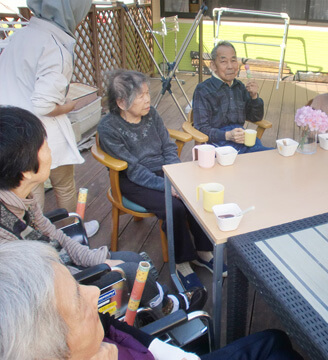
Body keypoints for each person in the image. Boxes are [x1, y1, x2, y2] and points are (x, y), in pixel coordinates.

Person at [0, 106, 206, 319]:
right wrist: (100, 268)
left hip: (61, 265)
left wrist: (96, 258)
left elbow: (57, 237)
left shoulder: (23, 199)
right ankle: (165, 311)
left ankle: (157, 303)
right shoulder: (7, 239)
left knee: (133, 258)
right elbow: (49, 285)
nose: (50, 149)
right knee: (132, 270)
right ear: (23, 168)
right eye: (43, 146)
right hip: (61, 298)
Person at [0, 241, 304, 360]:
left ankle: (173, 303)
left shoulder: (90, 336)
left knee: (275, 340)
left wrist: (166, 351)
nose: (94, 294)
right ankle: (174, 304)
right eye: (79, 301)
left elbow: (111, 325)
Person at [98, 69, 222, 291]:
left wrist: (175, 175)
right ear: (121, 102)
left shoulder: (152, 113)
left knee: (195, 193)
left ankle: (203, 251)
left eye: (147, 93)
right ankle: (182, 263)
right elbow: (134, 169)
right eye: (140, 96)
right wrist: (168, 186)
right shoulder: (108, 127)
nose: (147, 100)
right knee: (174, 206)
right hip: (131, 180)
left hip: (164, 170)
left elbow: (167, 146)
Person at [0, 0, 99, 237]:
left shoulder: (19, 36)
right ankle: (72, 232)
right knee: (61, 184)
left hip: (8, 128)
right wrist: (69, 105)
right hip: (39, 133)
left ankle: (32, 237)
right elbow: (43, 104)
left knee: (25, 193)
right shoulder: (55, 46)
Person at [192, 41, 271, 153]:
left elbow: (255, 118)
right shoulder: (204, 90)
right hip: (218, 144)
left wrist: (254, 97)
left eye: (233, 61)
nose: (230, 66)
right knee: (261, 158)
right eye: (223, 61)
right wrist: (228, 135)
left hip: (241, 139)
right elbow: (201, 128)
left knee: (268, 155)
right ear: (213, 65)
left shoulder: (239, 87)